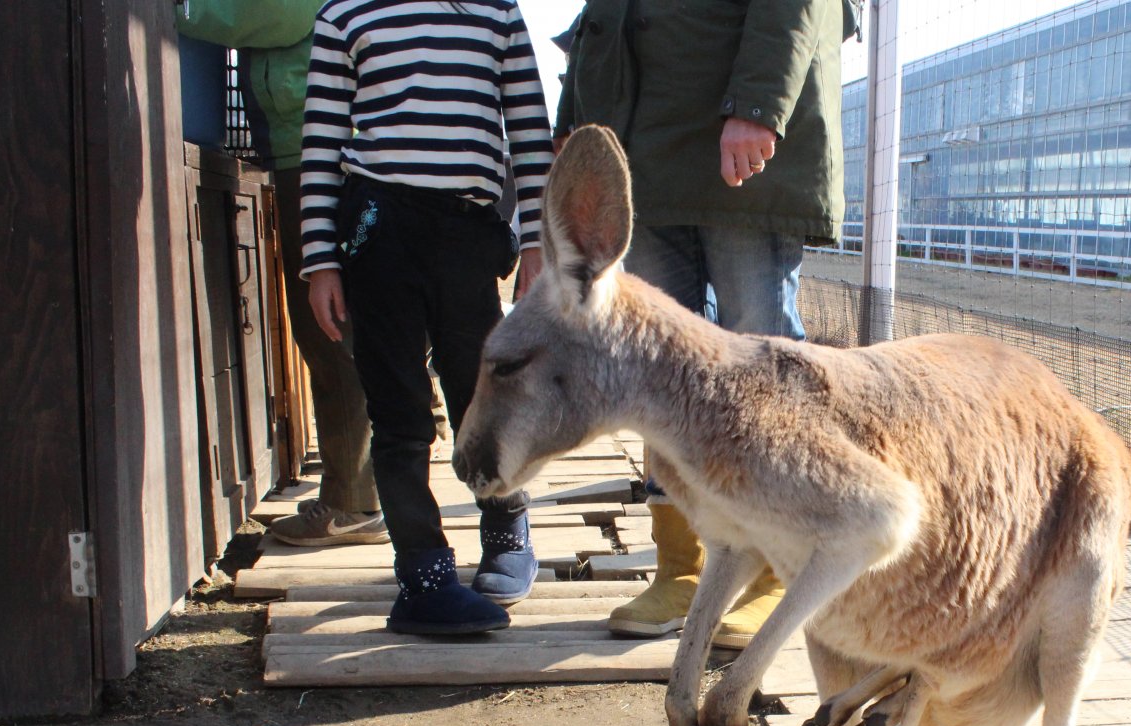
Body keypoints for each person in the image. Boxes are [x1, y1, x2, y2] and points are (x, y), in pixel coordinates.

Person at [554, 0, 853, 649]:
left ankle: (784, 566)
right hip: (645, 151)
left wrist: (757, 105)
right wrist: (575, 120)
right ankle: (682, 568)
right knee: (660, 370)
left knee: (759, 352)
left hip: (737, 144)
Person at [301, 0, 554, 633]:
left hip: (468, 228)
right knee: (398, 408)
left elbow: (527, 125)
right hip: (377, 227)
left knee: (481, 390)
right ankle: (423, 575)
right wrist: (321, 261)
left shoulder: (495, 11)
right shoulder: (344, 14)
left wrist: (535, 243)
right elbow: (323, 139)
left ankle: (506, 526)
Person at [176, 0, 386, 548]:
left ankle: (352, 501)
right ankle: (359, 491)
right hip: (317, 142)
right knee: (336, 325)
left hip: (318, 147)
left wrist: (175, 12)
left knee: (328, 328)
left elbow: (273, 12)